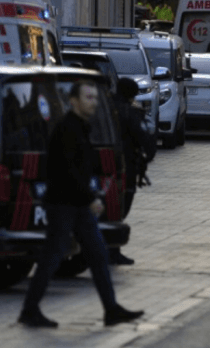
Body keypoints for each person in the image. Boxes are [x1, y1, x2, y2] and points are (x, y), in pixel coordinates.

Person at [18, 80, 144, 329]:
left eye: (95, 98)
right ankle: (30, 310)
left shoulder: (81, 127)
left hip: (77, 206)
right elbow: (68, 172)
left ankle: (111, 309)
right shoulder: (68, 129)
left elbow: (83, 167)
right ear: (74, 101)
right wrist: (90, 199)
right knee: (52, 257)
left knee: (97, 255)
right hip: (64, 205)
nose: (93, 102)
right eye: (88, 97)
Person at [111, 78, 157, 266]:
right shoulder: (130, 113)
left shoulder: (105, 107)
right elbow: (144, 138)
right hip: (125, 166)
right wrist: (147, 156)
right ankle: (112, 249)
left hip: (104, 164)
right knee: (121, 207)